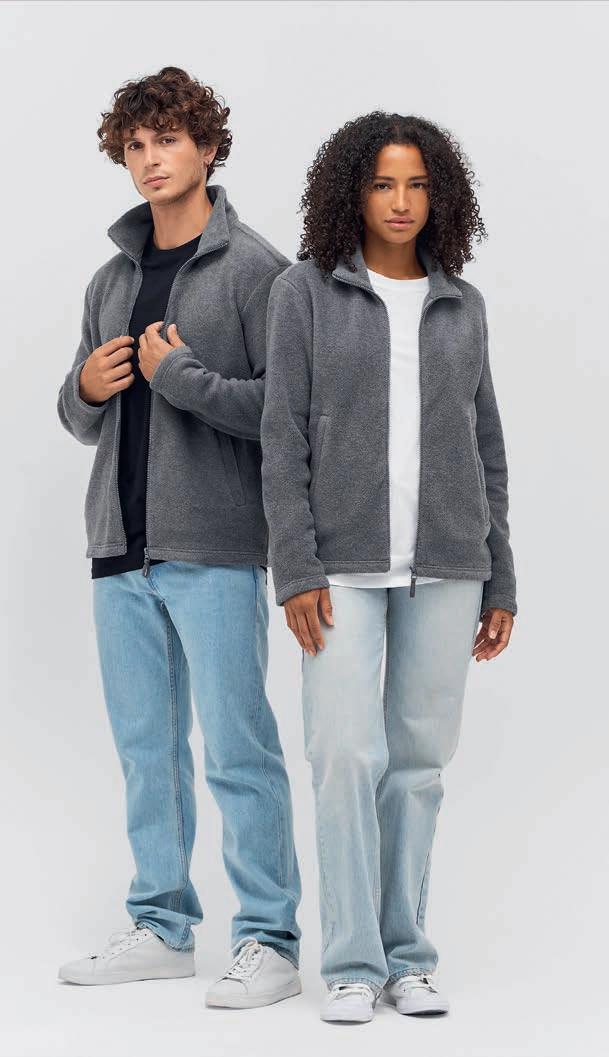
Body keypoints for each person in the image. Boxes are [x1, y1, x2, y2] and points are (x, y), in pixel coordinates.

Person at [260, 111, 517, 1023]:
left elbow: (485, 447)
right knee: (342, 754)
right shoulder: (303, 293)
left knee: (417, 763)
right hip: (338, 565)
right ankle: (350, 962)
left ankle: (407, 955)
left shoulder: (461, 304)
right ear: (352, 192)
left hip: (448, 563)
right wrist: (295, 566)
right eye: (382, 183)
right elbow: (281, 436)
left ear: (439, 196)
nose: (400, 201)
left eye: (416, 184)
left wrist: (500, 575)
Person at [56, 66, 302, 1009]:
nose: (150, 158)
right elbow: (79, 417)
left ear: (207, 146)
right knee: (145, 749)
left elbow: (289, 415)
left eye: (167, 139)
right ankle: (161, 925)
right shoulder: (110, 279)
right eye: (135, 144)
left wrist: (183, 380)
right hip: (118, 548)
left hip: (215, 547)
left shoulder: (258, 272)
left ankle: (269, 937)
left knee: (238, 750)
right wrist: (86, 388)